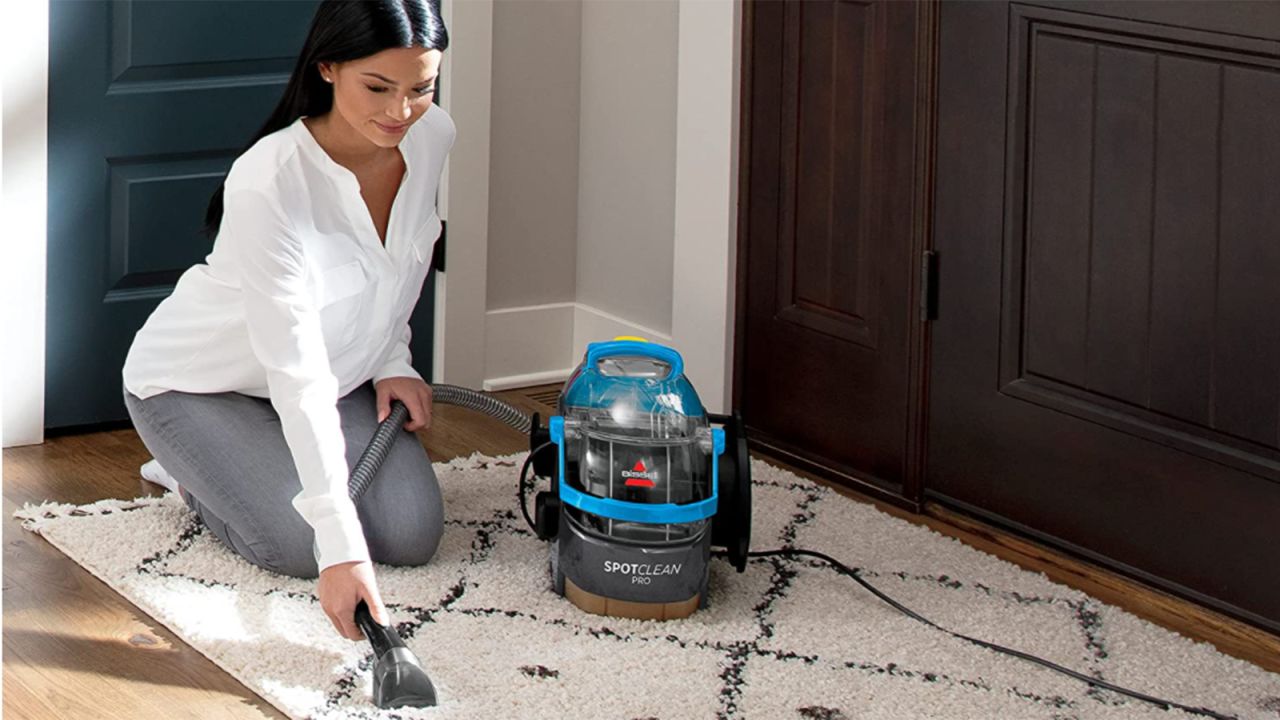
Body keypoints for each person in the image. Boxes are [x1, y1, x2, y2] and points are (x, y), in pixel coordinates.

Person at [121, 0, 453, 643]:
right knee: (303, 547)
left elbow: (397, 266)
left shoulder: (433, 136)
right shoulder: (271, 180)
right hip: (200, 386)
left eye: (421, 88)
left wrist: (393, 360)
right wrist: (341, 551)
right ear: (328, 68)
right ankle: (187, 476)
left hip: (336, 378)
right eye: (378, 88)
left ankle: (256, 471)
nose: (400, 112)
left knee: (413, 536)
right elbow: (293, 368)